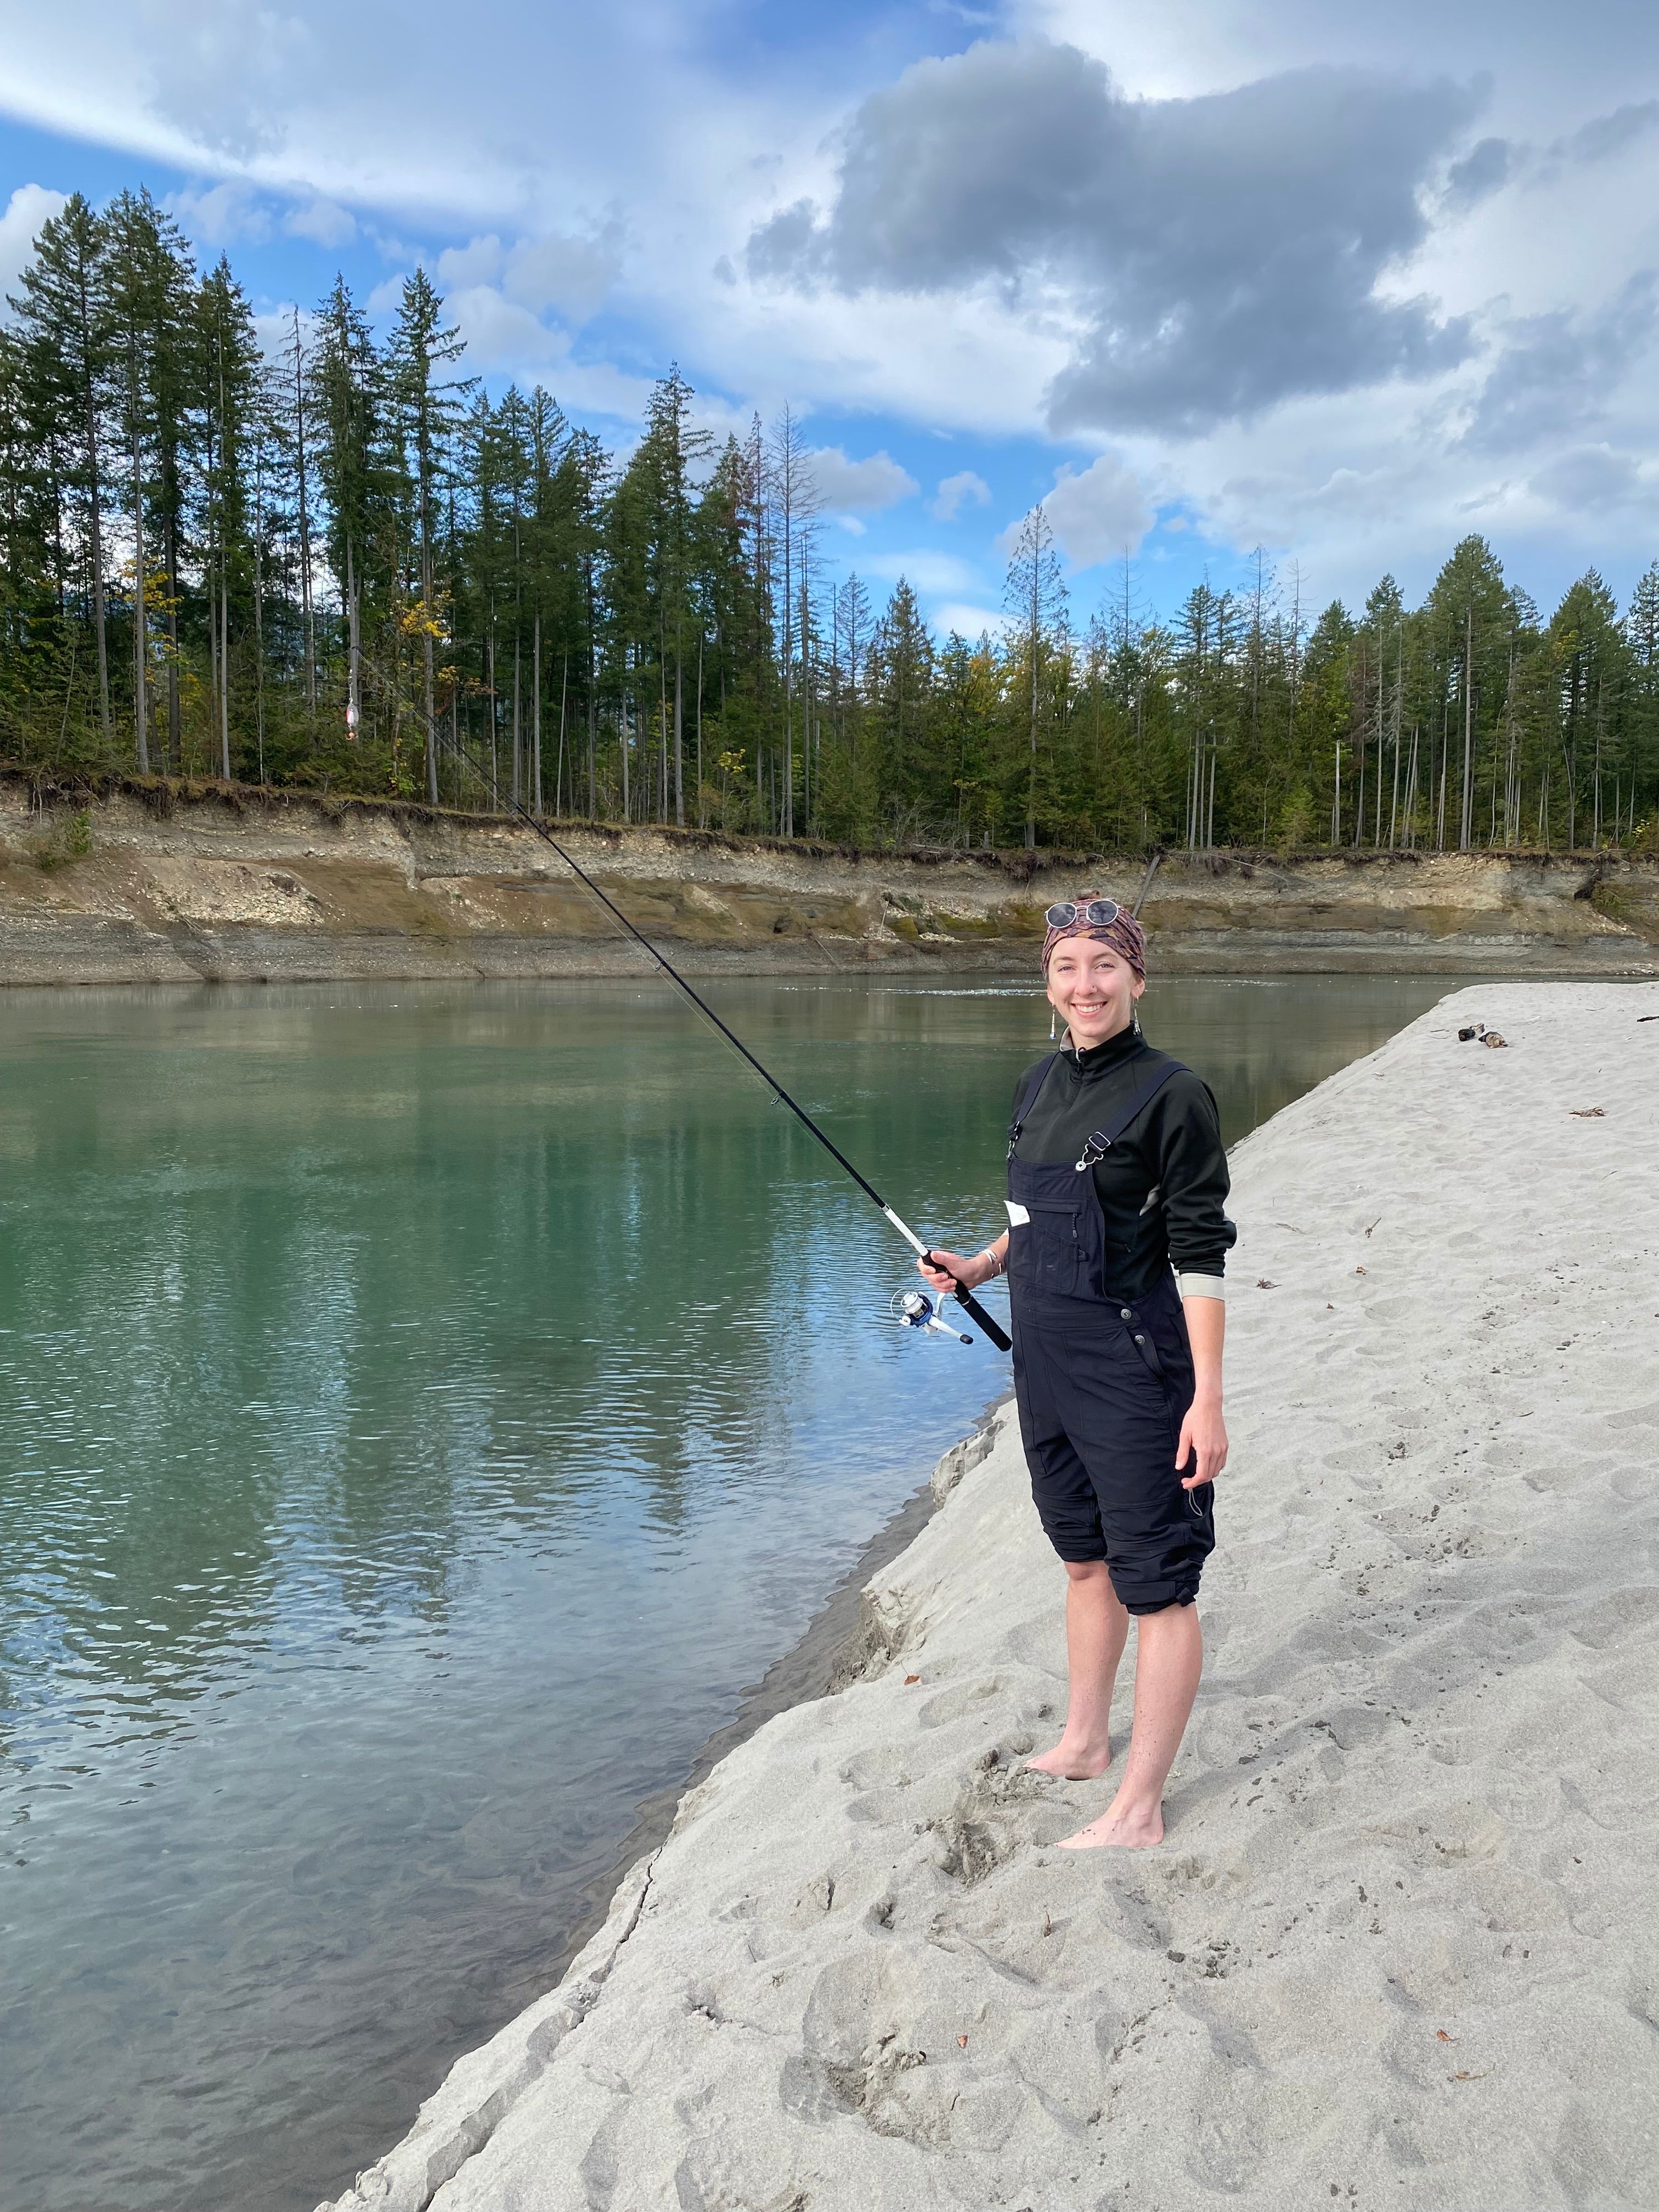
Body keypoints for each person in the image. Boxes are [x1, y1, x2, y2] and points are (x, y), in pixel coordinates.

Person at [919, 895, 1233, 1850]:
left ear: (1138, 978)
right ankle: (1087, 1741)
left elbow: (1200, 1257)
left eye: (1104, 965)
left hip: (1136, 1371)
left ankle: (1138, 1809)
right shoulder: (1036, 1084)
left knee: (1160, 1586)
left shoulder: (1175, 1093)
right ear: (1047, 983)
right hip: (1044, 1367)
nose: (1085, 985)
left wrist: (1208, 1400)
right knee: (1083, 1559)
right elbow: (1031, 1219)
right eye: (1067, 967)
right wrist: (980, 1267)